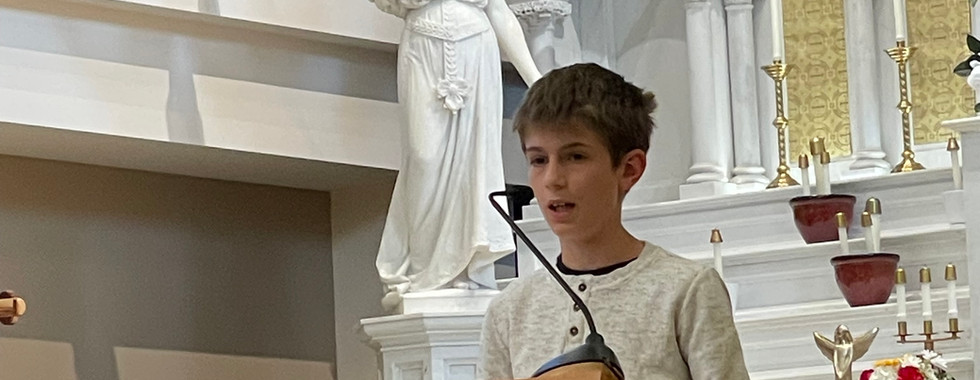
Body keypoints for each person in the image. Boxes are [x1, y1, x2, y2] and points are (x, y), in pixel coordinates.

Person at [478, 63, 749, 379]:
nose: (552, 179)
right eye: (538, 160)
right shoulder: (509, 310)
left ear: (629, 169)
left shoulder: (686, 291)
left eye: (575, 156)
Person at [369, 0, 542, 309]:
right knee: (423, 158)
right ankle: (425, 274)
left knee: (475, 163)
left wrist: (537, 80)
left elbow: (500, 11)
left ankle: (465, 269)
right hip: (423, 46)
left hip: (476, 48)